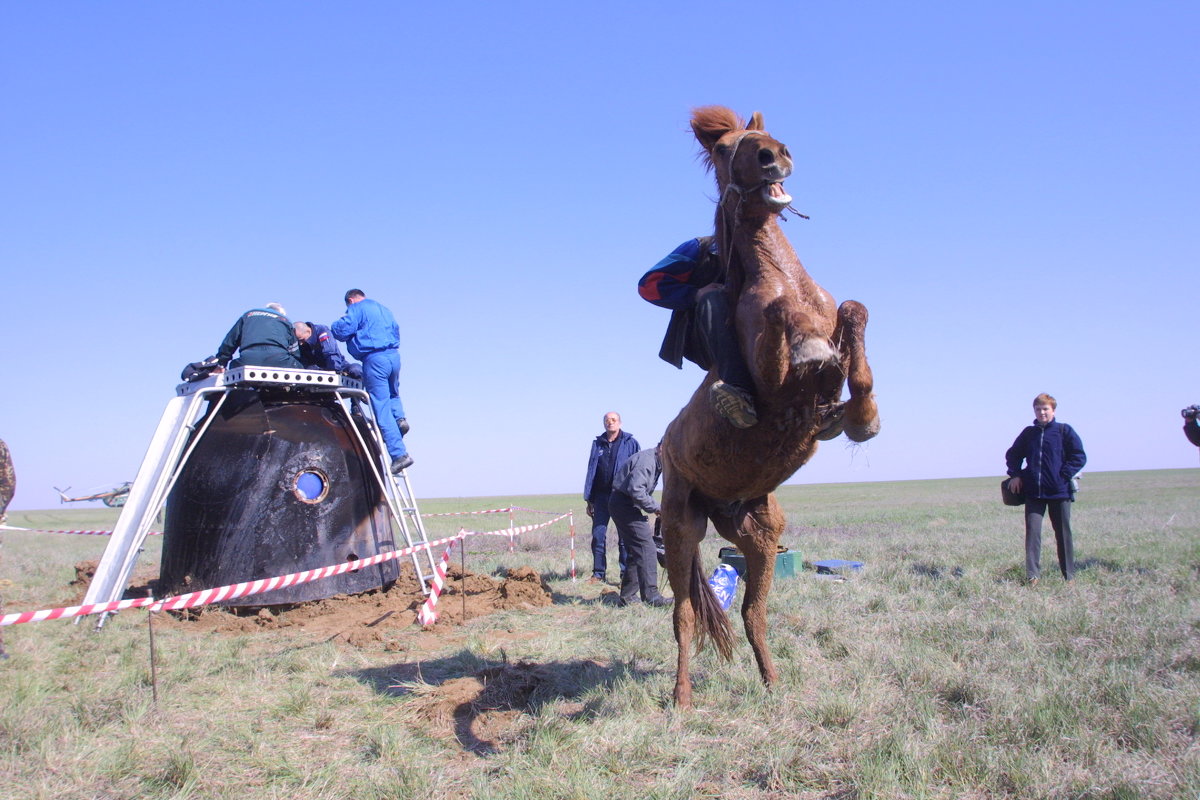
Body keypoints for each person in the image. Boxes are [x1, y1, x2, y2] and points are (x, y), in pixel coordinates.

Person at [639, 237, 759, 428]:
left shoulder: (764, 251)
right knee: (714, 298)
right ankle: (739, 390)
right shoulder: (701, 247)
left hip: (752, 331)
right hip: (706, 336)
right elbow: (648, 285)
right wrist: (695, 294)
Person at [1005, 393, 1087, 586]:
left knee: (1063, 534)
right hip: (1034, 492)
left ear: (1053, 410)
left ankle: (1069, 577)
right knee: (1033, 533)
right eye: (1038, 409)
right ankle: (1033, 576)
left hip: (1060, 492)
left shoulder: (1064, 431)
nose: (1042, 412)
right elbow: (1013, 455)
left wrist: (1063, 474)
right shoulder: (1028, 433)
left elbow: (1079, 456)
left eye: (1045, 409)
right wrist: (1015, 474)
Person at [331, 289, 412, 473]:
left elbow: (344, 329)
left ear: (351, 300)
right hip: (393, 357)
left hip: (374, 359)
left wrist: (334, 328)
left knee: (380, 407)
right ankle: (400, 419)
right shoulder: (384, 309)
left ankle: (399, 455)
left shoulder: (357, 308)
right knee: (393, 394)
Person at [609, 444, 673, 608]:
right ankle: (652, 597)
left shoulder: (655, 461)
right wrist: (657, 508)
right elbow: (636, 490)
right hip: (624, 505)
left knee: (636, 551)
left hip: (625, 505)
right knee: (647, 548)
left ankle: (627, 596)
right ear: (662, 448)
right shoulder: (648, 460)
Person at [582, 412, 640, 584]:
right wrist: (589, 499)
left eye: (613, 420)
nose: (610, 423)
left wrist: (635, 496)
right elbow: (591, 470)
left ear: (620, 423)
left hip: (622, 497)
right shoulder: (597, 444)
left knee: (624, 538)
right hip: (600, 498)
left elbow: (638, 471)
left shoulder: (631, 443)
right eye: (607, 421)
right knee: (598, 536)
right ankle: (598, 574)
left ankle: (625, 574)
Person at [214, 303, 303, 370]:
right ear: (281, 313)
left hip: (248, 361)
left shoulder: (248, 315)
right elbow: (295, 353)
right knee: (300, 367)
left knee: (234, 366)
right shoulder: (286, 320)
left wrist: (221, 363)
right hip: (279, 360)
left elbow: (229, 342)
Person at [294, 320, 363, 380]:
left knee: (356, 369)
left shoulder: (322, 331)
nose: (300, 344)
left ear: (308, 331)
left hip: (338, 367)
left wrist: (334, 372)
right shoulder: (300, 343)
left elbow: (331, 353)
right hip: (317, 370)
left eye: (302, 340)